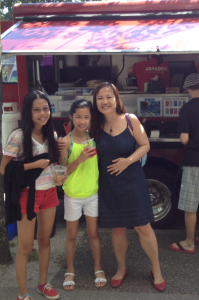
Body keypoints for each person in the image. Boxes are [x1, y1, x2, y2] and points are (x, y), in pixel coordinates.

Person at [89, 82, 166, 292]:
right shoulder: (94, 125)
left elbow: (145, 145)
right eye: (100, 98)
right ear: (95, 103)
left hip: (133, 181)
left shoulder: (130, 120)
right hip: (109, 184)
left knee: (143, 227)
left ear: (116, 99)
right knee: (117, 228)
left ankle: (156, 270)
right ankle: (121, 269)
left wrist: (127, 160)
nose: (104, 101)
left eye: (108, 96)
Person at [0, 90, 63, 300]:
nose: (43, 113)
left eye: (46, 108)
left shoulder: (51, 135)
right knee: (26, 247)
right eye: (37, 109)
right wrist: (34, 164)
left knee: (45, 240)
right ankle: (22, 293)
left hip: (50, 193)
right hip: (27, 196)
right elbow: (4, 169)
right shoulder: (18, 135)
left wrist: (57, 175)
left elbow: (53, 165)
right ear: (28, 112)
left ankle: (43, 284)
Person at [59, 99, 107, 291]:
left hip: (92, 193)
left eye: (86, 117)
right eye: (78, 116)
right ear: (70, 117)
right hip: (72, 195)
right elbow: (62, 171)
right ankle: (70, 270)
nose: (82, 121)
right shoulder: (65, 141)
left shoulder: (94, 136)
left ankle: (98, 268)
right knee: (71, 235)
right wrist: (79, 159)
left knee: (93, 233)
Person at [170, 73, 199, 254]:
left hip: (194, 162)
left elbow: (184, 139)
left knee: (190, 205)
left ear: (187, 89)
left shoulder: (187, 108)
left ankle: (189, 242)